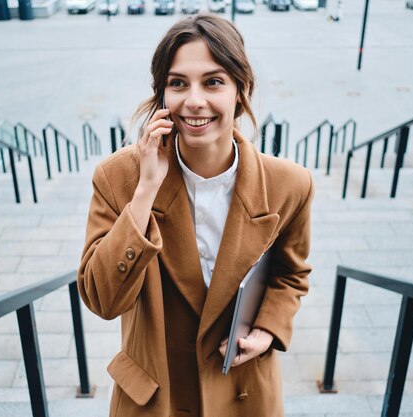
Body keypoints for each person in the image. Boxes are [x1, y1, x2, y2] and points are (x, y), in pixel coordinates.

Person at [77, 12, 314, 417]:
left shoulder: (289, 184)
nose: (194, 101)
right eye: (178, 83)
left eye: (214, 81)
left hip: (243, 393)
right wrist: (145, 190)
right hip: (156, 397)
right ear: (162, 94)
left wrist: (267, 331)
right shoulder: (118, 178)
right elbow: (102, 300)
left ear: (241, 91)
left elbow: (291, 275)